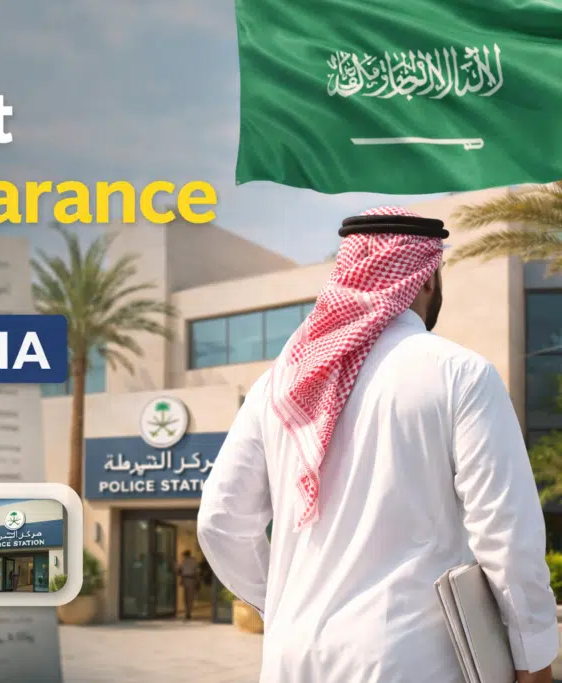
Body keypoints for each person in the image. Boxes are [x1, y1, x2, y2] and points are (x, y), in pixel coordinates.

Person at [197, 207, 558, 683]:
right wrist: (533, 657)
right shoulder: (460, 374)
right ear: (426, 278)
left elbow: (220, 521)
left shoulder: (278, 386)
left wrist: (285, 604)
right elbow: (505, 530)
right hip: (412, 659)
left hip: (292, 660)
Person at [177, 550, 200, 620]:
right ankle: (188, 612)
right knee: (190, 597)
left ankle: (187, 612)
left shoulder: (183, 561)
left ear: (185, 555)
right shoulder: (194, 561)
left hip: (185, 579)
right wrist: (197, 581)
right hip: (191, 580)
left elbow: (179, 570)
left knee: (185, 597)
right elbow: (197, 572)